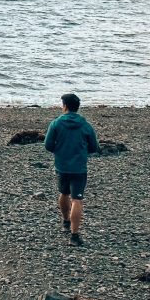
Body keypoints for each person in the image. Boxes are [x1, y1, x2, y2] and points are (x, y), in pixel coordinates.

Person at [44, 92, 99, 246]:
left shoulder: (55, 124)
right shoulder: (86, 125)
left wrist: (60, 150)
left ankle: (66, 220)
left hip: (62, 165)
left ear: (65, 106)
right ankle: (74, 236)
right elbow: (94, 147)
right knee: (77, 199)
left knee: (64, 193)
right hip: (79, 167)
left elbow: (48, 145)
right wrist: (81, 152)